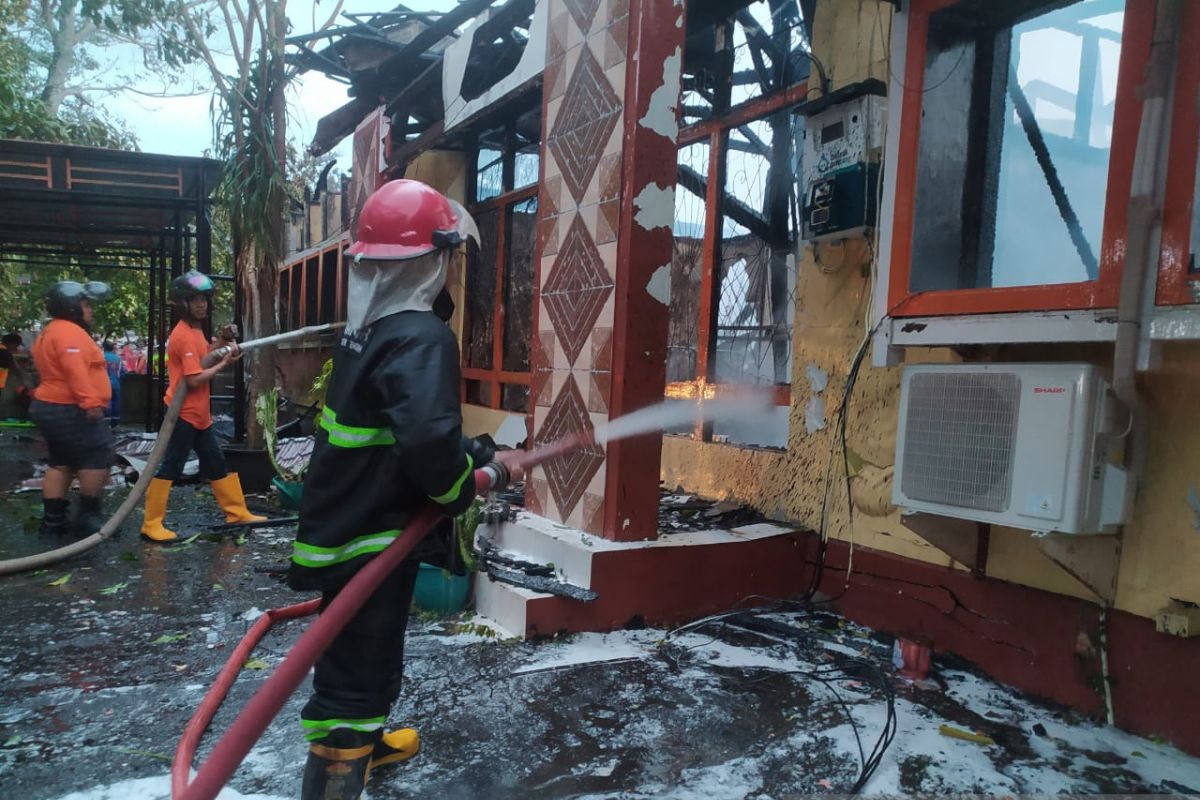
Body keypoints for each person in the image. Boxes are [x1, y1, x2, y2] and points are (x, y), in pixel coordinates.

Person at [287, 179, 524, 799]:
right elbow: (423, 445)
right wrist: (467, 482)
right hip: (369, 536)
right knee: (357, 673)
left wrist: (475, 454)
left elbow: (391, 430)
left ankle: (368, 737)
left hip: (344, 520)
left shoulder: (368, 331)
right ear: (434, 260)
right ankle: (341, 764)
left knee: (359, 645)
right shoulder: (420, 335)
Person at [140, 271, 266, 541]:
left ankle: (236, 512)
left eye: (204, 299)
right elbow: (194, 379)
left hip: (200, 415)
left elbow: (204, 356)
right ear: (182, 303)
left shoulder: (196, 331)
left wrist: (220, 343)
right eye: (195, 300)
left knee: (216, 462)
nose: (202, 305)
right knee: (171, 466)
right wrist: (224, 363)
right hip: (183, 414)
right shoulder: (183, 335)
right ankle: (151, 523)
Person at [28, 282, 115, 537]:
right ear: (72, 308)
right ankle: (88, 520)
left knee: (62, 462)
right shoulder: (69, 333)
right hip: (70, 407)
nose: (90, 310)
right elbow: (74, 370)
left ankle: (53, 522)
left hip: (52, 406)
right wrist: (90, 403)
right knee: (97, 456)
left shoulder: (51, 331)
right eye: (86, 305)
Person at [0, 332, 30, 419]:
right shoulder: (4, 352)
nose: (16, 348)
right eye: (16, 345)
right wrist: (25, 382)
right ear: (11, 343)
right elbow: (15, 368)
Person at [102, 340, 124, 428]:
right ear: (112, 348)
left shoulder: (101, 357)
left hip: (104, 385)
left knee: (107, 403)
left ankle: (107, 423)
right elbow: (122, 372)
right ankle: (115, 423)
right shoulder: (118, 359)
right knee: (116, 402)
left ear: (104, 348)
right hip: (116, 384)